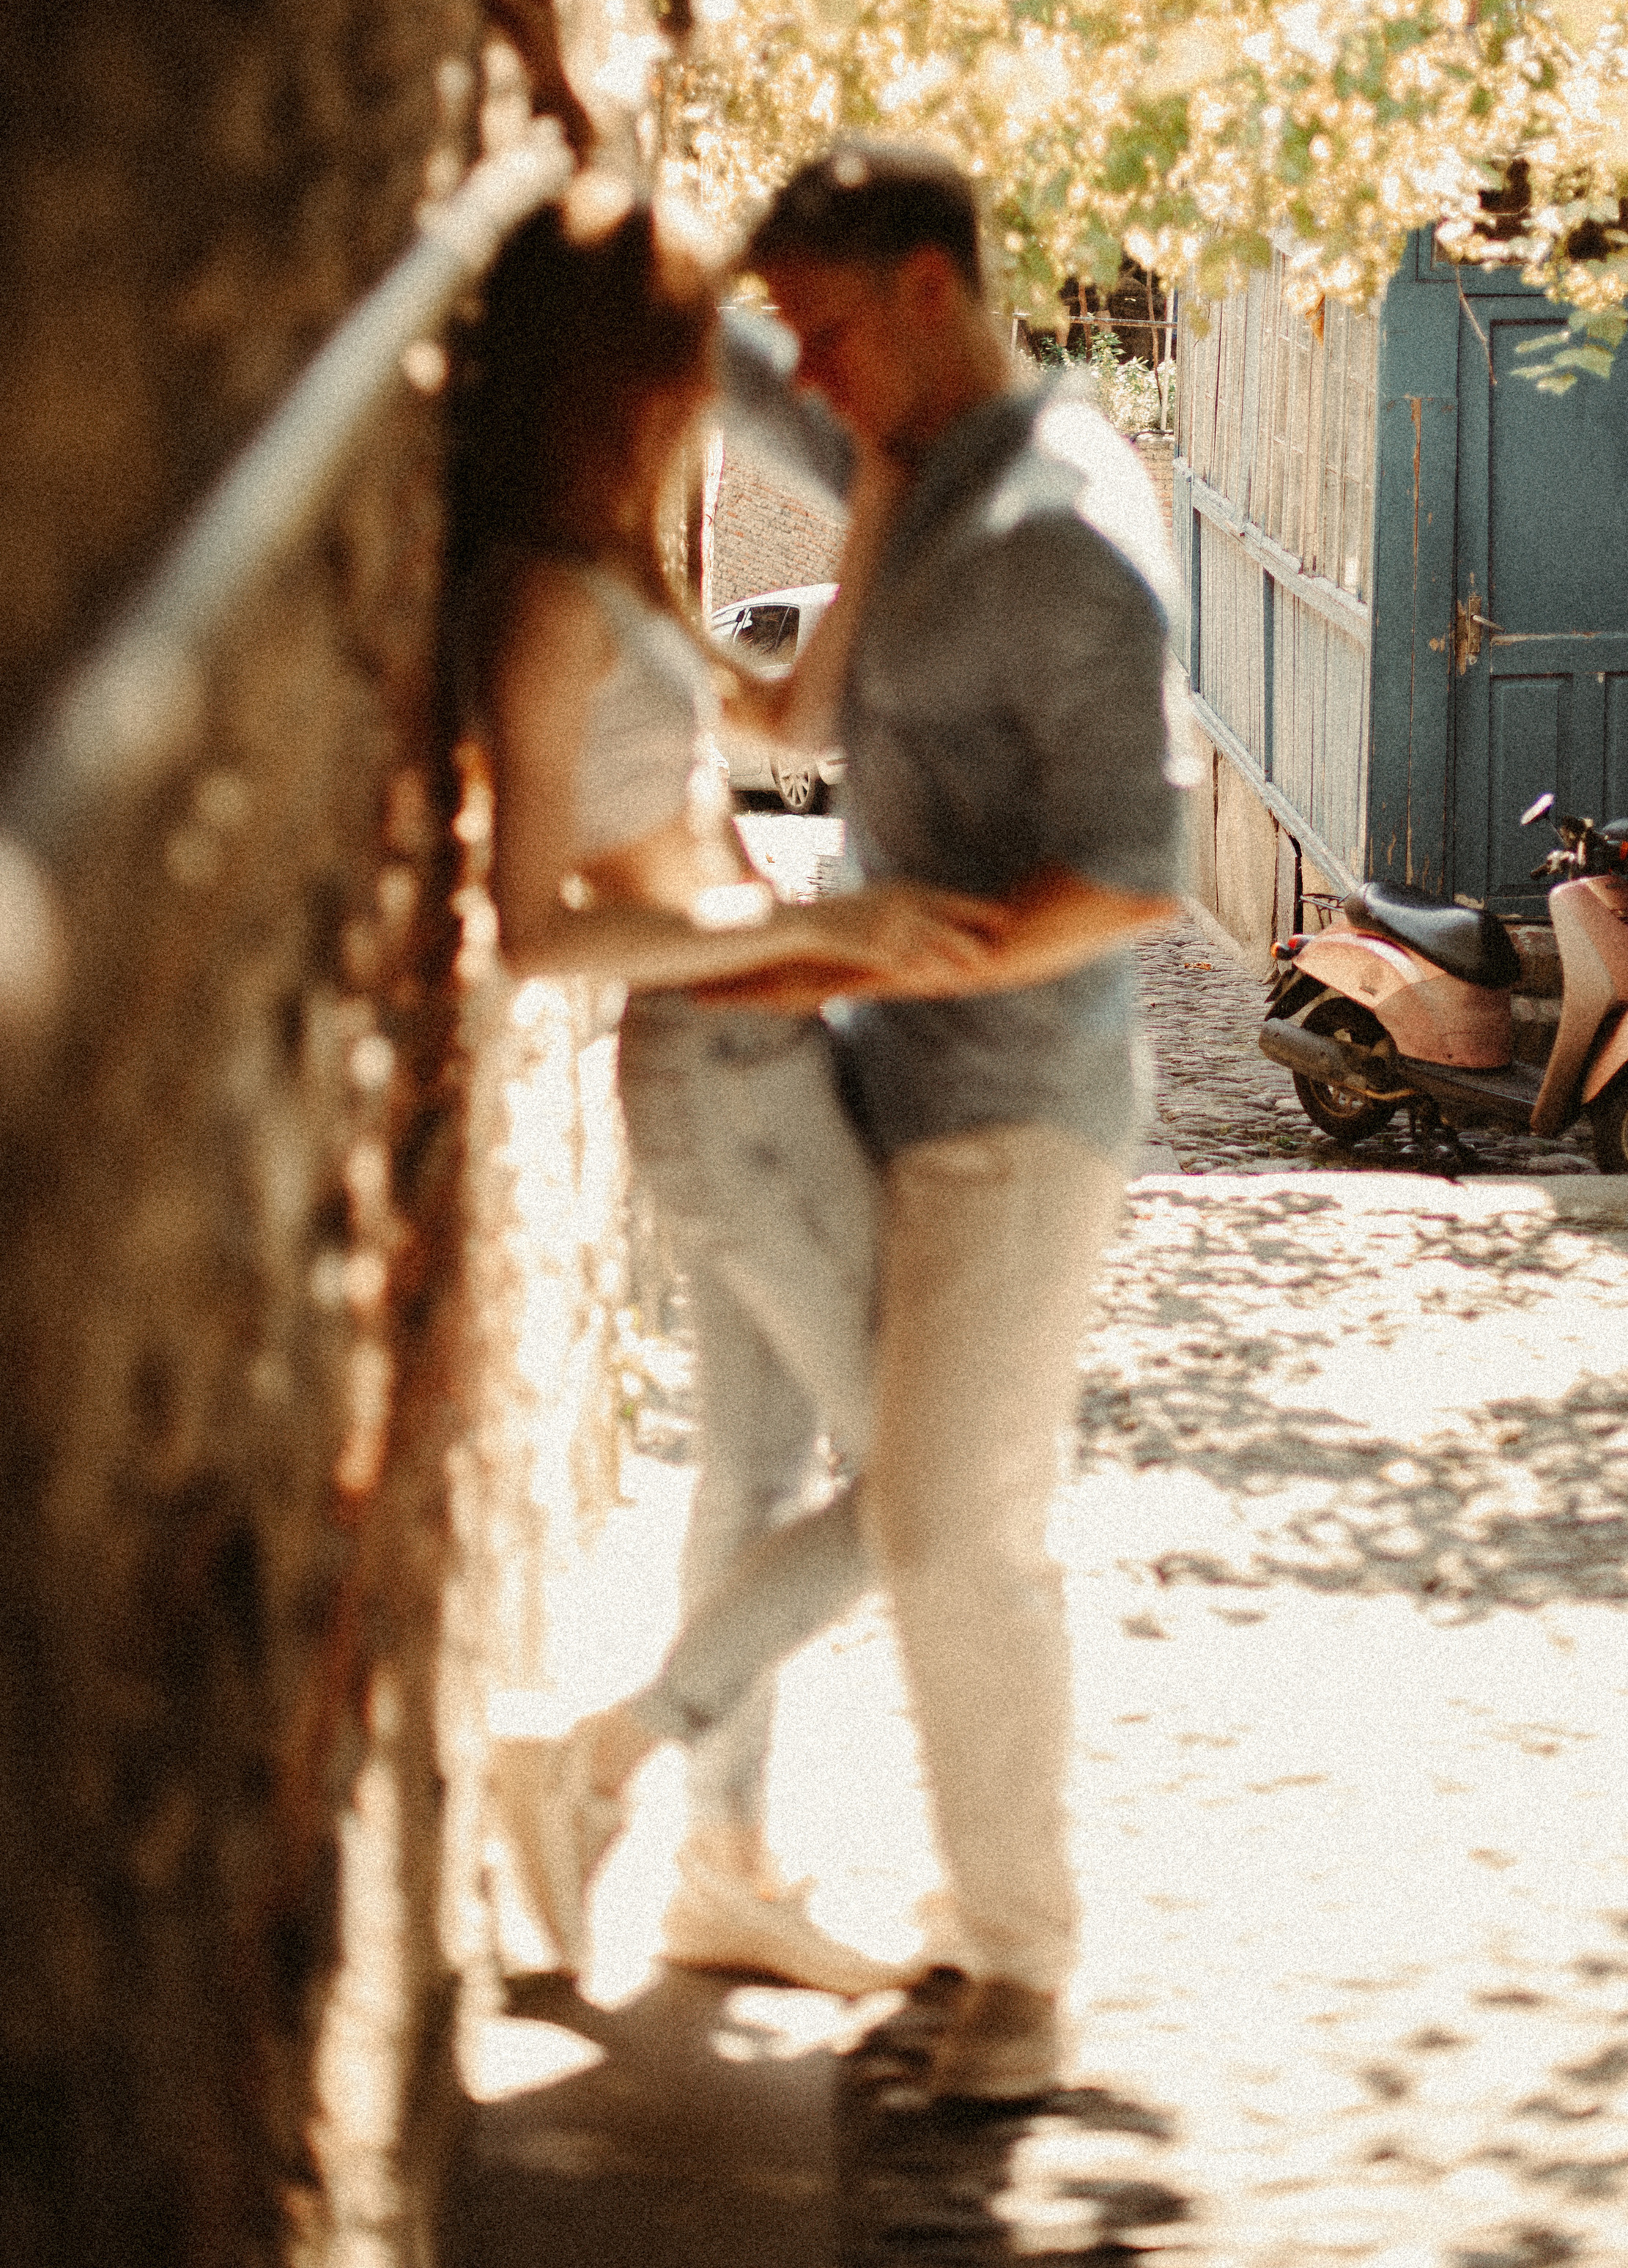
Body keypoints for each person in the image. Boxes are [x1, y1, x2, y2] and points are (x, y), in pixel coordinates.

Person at [451, 176, 1005, 1996]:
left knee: (756, 1468)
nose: (712, 396)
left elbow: (771, 735)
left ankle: (722, 1868)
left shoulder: (614, 553)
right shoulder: (539, 601)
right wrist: (805, 951)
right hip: (715, 1067)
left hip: (761, 1043)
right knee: (931, 1470)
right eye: (686, 369)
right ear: (606, 385)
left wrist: (875, 521)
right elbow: (534, 932)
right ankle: (601, 1762)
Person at [714, 144, 1193, 2100]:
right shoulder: (916, 465)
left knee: (956, 1534)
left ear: (929, 289)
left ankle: (1022, 1973)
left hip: (1019, 1121)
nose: (809, 385)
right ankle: (931, 1918)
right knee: (906, 1510)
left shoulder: (1063, 528)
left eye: (830, 335)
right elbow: (753, 391)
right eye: (794, 348)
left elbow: (1138, 874)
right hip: (884, 1097)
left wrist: (907, 958)